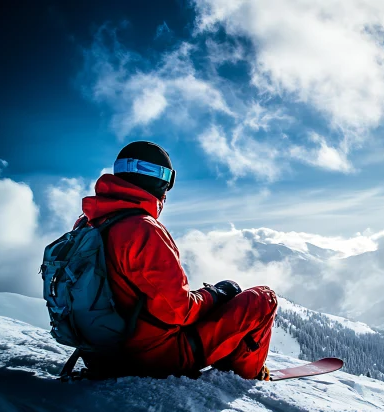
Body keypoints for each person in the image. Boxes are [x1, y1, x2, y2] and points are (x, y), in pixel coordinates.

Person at [78, 141, 277, 380]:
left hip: (101, 353)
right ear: (163, 182)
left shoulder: (87, 225)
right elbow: (178, 311)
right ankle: (248, 374)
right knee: (263, 298)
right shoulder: (141, 229)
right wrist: (216, 294)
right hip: (151, 356)